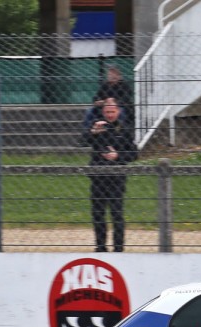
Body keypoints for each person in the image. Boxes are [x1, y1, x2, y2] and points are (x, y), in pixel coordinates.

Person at [82, 98, 138, 252]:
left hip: (117, 177)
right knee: (98, 214)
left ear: (118, 112)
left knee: (116, 213)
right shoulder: (98, 126)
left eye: (113, 111)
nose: (110, 114)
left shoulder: (124, 129)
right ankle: (101, 247)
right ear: (103, 112)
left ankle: (118, 248)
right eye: (107, 112)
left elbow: (134, 154)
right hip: (98, 176)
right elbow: (82, 141)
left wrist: (117, 156)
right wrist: (93, 132)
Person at [92, 64, 134, 129]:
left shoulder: (124, 85)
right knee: (90, 111)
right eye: (109, 74)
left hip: (119, 107)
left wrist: (115, 102)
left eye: (113, 73)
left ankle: (121, 129)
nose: (111, 76)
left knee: (121, 111)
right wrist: (99, 101)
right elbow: (96, 97)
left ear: (119, 76)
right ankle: (91, 129)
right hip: (105, 107)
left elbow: (127, 98)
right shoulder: (105, 85)